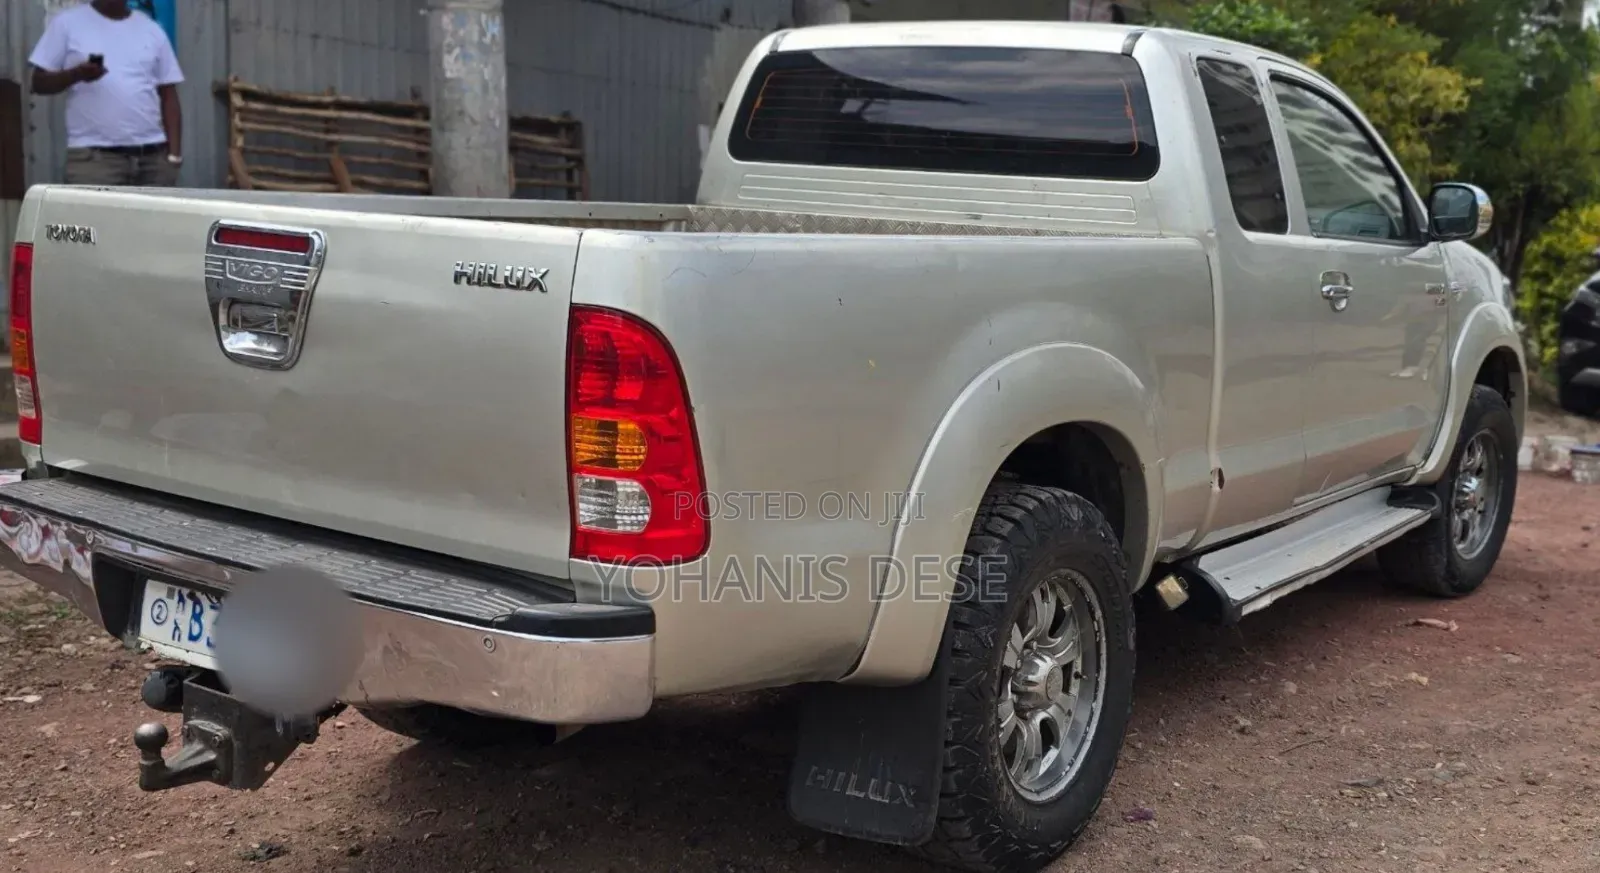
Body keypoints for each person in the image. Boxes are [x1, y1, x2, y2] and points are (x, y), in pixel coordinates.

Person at [27, 0, 184, 186]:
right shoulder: (67, 24)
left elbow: (169, 95)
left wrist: (174, 156)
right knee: (94, 216)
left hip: (152, 160)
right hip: (95, 162)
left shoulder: (152, 30)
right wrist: (77, 74)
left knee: (155, 216)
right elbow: (38, 82)